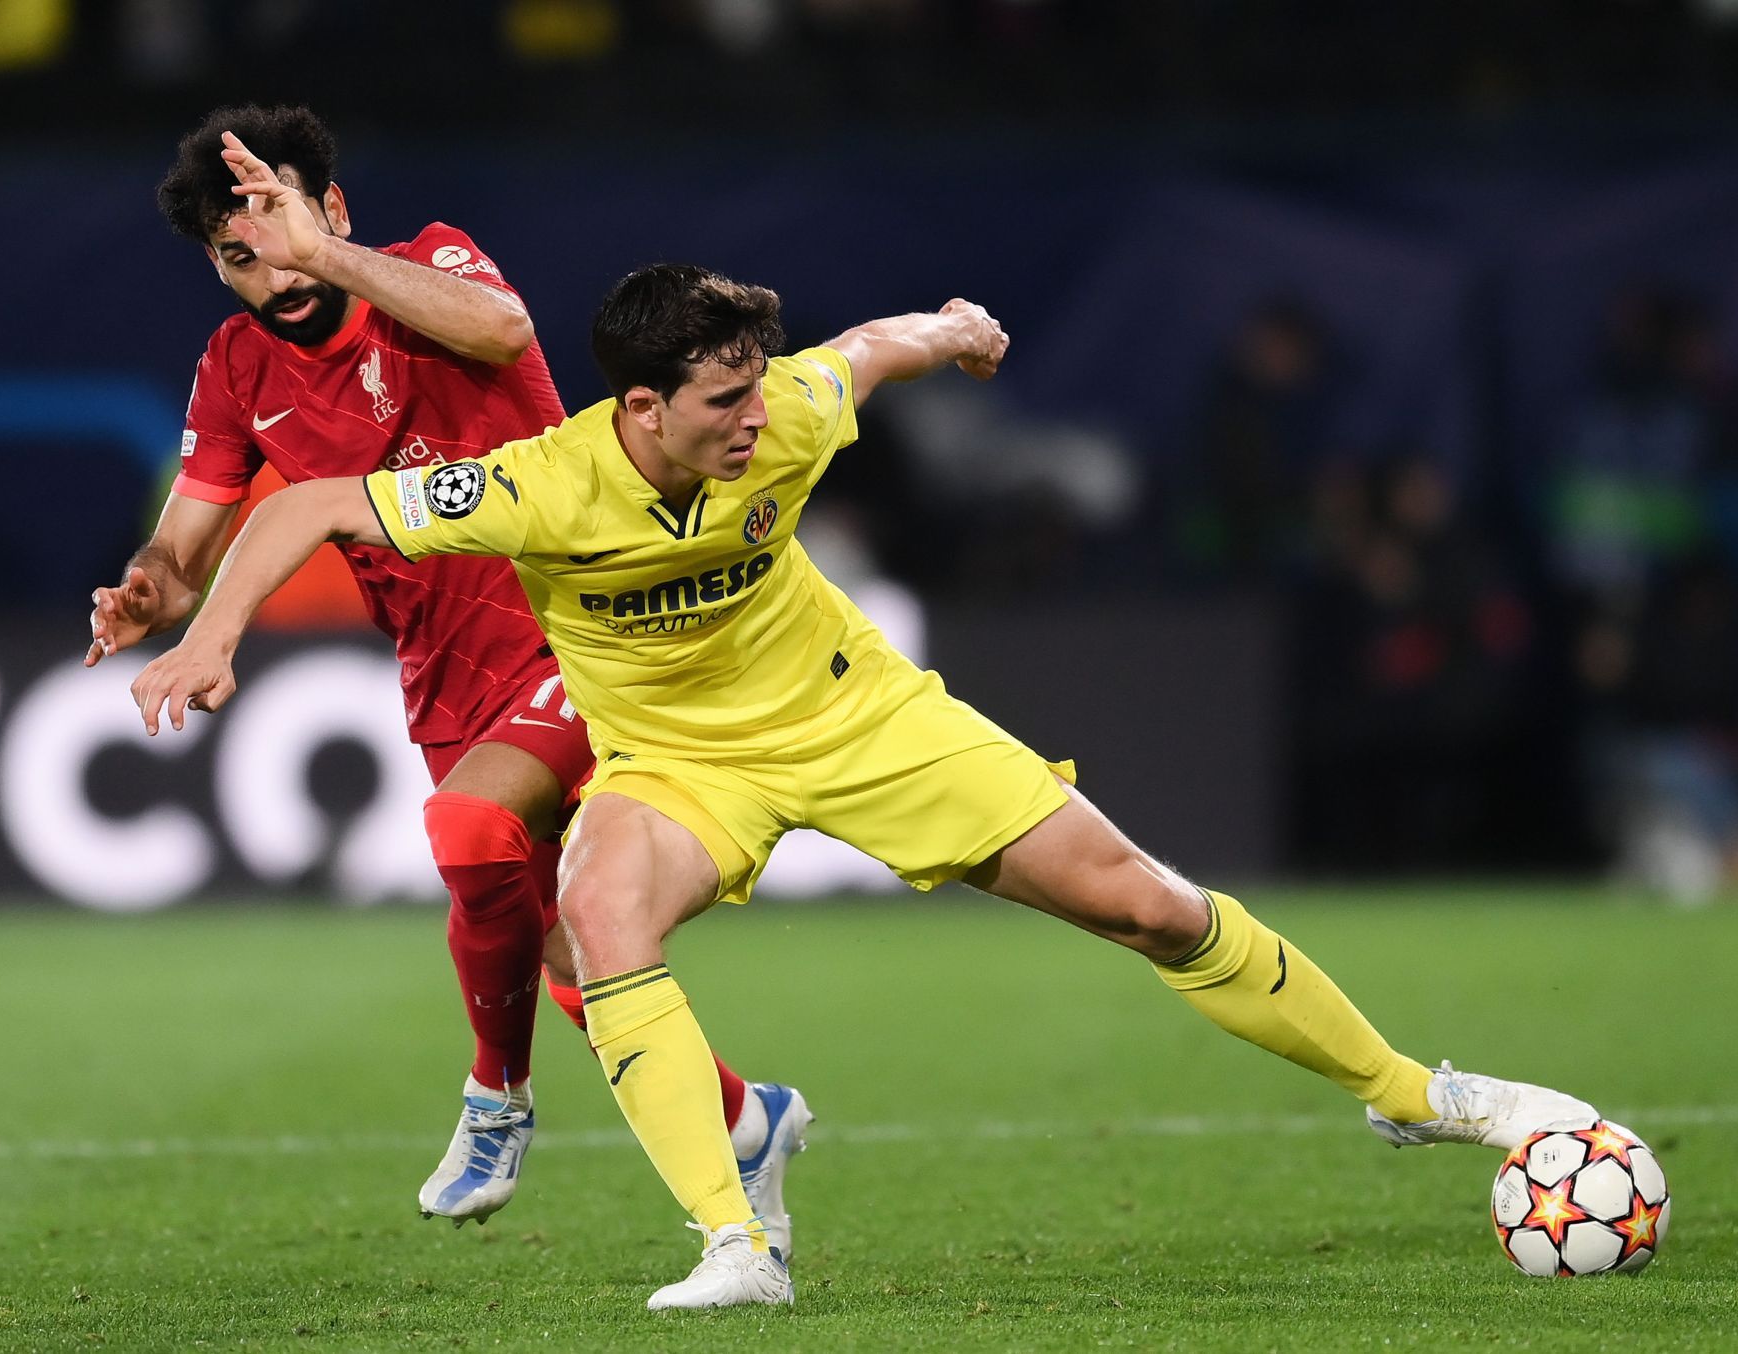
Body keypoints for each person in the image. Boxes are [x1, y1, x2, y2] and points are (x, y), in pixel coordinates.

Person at [129, 263, 1603, 1312]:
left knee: (1148, 906)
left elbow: (870, 347)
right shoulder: (541, 482)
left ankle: (1419, 1094)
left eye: (758, 389)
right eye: (720, 400)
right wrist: (211, 635)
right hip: (682, 763)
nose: (754, 419)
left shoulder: (794, 408)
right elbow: (316, 501)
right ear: (640, 407)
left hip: (865, 719)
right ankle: (736, 1240)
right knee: (601, 898)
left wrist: (954, 329)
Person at [86, 111, 808, 1248]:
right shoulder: (234, 370)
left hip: (581, 632)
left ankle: (494, 1100)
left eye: (280, 227)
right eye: (235, 254)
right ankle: (746, 1120)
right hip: (443, 671)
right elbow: (183, 554)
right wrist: (148, 591)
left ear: (333, 209)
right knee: (565, 943)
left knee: (471, 834)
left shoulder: (431, 265)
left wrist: (320, 254)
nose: (267, 268)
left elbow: (504, 324)